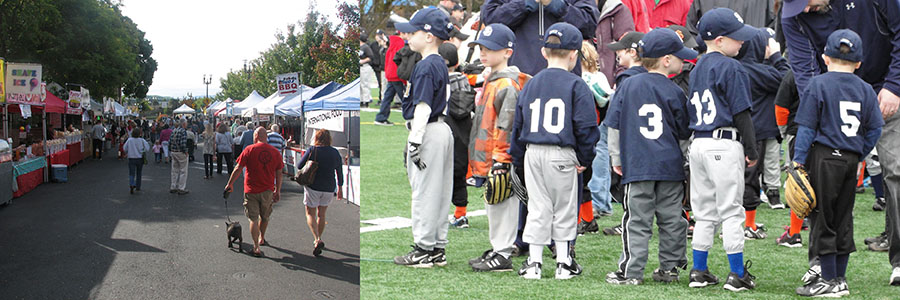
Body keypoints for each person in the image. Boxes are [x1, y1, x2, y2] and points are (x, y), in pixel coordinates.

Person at [780, 0, 900, 285]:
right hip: (831, 99)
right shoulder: (793, 14)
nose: (804, 10)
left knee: (897, 171)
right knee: (816, 182)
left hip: (886, 90)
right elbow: (805, 71)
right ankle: (821, 264)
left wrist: (895, 86)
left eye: (805, 1)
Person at [792, 29, 883, 297]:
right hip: (850, 159)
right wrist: (859, 153)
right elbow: (875, 128)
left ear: (825, 58)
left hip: (824, 157)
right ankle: (840, 279)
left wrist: (798, 161)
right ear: (858, 63)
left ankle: (829, 280)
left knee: (822, 218)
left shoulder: (818, 84)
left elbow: (807, 127)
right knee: (844, 218)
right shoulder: (865, 88)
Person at [509, 22, 601, 280]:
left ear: (543, 52)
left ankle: (534, 262)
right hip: (562, 152)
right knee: (564, 208)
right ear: (574, 54)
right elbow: (586, 126)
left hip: (532, 151)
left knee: (538, 206)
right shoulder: (577, 85)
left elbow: (518, 124)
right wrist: (585, 157)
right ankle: (563, 261)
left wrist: (517, 158)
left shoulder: (531, 83)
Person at [604, 27, 695, 285]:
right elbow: (683, 133)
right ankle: (670, 268)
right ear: (666, 60)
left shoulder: (628, 85)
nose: (682, 60)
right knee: (672, 220)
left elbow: (614, 125)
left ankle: (632, 272)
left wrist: (616, 158)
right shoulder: (676, 91)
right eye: (679, 56)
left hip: (638, 165)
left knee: (637, 220)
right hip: (670, 166)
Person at [686, 8, 759, 292]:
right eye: (736, 38)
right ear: (718, 40)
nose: (742, 42)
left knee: (703, 212)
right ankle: (737, 274)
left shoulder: (696, 67)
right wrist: (751, 149)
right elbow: (742, 114)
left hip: (699, 142)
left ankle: (699, 270)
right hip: (723, 141)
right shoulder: (731, 67)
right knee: (730, 211)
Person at [391, 7, 455, 268]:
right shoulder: (438, 62)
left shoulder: (427, 65)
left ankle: (423, 249)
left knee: (425, 192)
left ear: (429, 36)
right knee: (439, 192)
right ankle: (437, 246)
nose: (408, 35)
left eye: (413, 31)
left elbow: (423, 106)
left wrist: (415, 140)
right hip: (441, 129)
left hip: (428, 129)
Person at [464, 23, 527, 272]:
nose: (483, 53)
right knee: (494, 204)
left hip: (499, 158)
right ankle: (498, 247)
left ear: (507, 52)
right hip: (488, 157)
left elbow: (507, 126)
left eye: (490, 48)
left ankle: (503, 253)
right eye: (481, 48)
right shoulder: (492, 80)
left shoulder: (506, 84)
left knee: (503, 206)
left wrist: (501, 159)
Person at [735, 27, 789, 243]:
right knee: (750, 179)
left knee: (740, 179)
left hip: (736, 130)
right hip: (754, 131)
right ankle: (748, 225)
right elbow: (789, 81)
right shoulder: (758, 70)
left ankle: (741, 223)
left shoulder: (736, 66)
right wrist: (776, 57)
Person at [602, 30, 646, 236]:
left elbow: (615, 116)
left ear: (633, 52)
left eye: (622, 50)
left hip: (629, 139)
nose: (617, 54)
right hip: (648, 139)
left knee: (630, 189)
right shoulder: (650, 76)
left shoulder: (625, 78)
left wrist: (615, 153)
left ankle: (628, 223)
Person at [481, 0, 599, 76]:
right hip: (517, 76)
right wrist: (524, 4)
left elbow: (589, 25)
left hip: (564, 77)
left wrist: (557, 5)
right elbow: (490, 19)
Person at [225, 127, 284, 258]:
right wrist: (278, 190)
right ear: (266, 137)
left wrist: (230, 184)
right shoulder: (275, 152)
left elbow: (238, 168)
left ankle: (256, 246)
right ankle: (262, 237)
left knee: (253, 218)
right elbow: (279, 173)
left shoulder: (249, 150)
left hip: (251, 190)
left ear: (255, 136)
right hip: (268, 190)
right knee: (265, 216)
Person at [582, 40, 614, 232]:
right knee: (601, 160)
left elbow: (604, 99)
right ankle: (603, 202)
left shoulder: (592, 77)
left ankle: (600, 202)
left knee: (599, 160)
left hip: (596, 124)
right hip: (598, 123)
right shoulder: (598, 76)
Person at [295, 129, 344, 257]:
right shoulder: (335, 152)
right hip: (329, 186)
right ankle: (319, 237)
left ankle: (317, 238)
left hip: (313, 185)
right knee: (322, 214)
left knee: (310, 213)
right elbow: (339, 171)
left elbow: (300, 165)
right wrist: (340, 187)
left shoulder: (313, 150)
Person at [594, 0, 637, 88]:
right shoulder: (578, 10)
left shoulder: (617, 10)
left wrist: (620, 80)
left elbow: (626, 48)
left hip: (613, 85)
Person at [375, 26, 408, 126]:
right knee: (405, 98)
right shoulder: (400, 43)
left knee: (387, 98)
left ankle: (381, 117)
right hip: (397, 75)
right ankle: (411, 117)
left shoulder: (392, 45)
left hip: (390, 75)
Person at [123, 128, 150, 194]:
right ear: (139, 134)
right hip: (139, 158)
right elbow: (147, 148)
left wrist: (127, 152)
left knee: (131, 173)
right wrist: (142, 151)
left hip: (131, 158)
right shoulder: (142, 140)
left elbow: (124, 148)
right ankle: (138, 186)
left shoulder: (129, 140)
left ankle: (132, 183)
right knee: (139, 172)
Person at [169, 120, 190, 195]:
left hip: (173, 151)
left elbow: (170, 142)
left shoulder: (174, 130)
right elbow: (183, 143)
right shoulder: (183, 131)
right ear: (184, 124)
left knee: (174, 170)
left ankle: (173, 186)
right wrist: (185, 151)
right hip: (180, 152)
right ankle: (181, 188)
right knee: (183, 170)